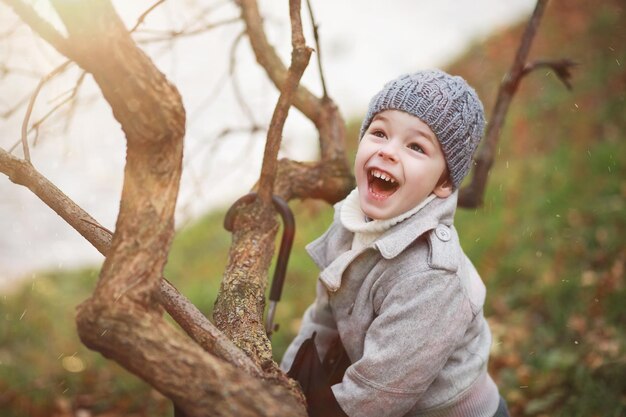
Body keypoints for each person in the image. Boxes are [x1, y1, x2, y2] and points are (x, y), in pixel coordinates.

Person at [280, 69, 510, 417]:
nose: (388, 151)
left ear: (443, 183)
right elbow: (323, 321)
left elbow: (376, 396)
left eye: (416, 146)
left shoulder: (432, 276)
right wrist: (282, 383)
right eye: (379, 132)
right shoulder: (352, 222)